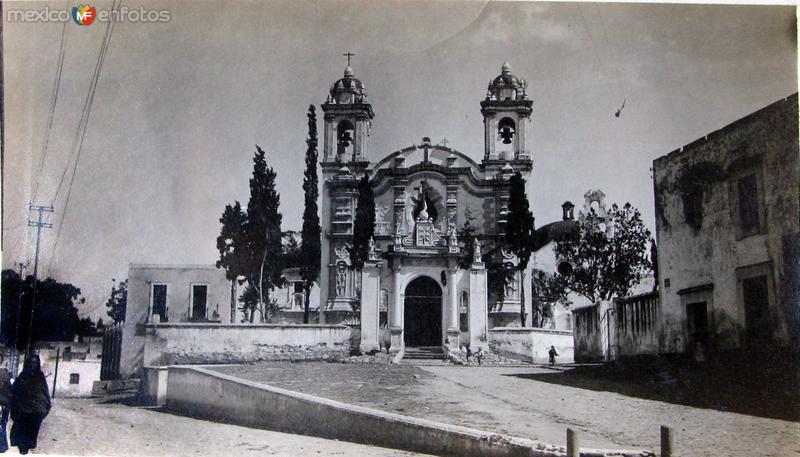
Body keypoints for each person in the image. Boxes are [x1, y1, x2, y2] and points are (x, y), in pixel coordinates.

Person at [10, 355, 50, 455]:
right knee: (31, 428)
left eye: (34, 363)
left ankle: (24, 447)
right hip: (36, 409)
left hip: (27, 408)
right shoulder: (39, 375)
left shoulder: (24, 374)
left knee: (23, 427)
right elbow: (45, 394)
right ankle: (27, 447)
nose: (32, 365)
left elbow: (15, 392)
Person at [0, 365, 11, 453]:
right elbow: (10, 390)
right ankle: (2, 446)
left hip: (2, 403)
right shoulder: (5, 373)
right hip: (4, 404)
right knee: (2, 424)